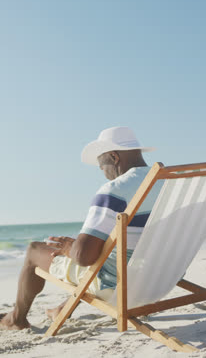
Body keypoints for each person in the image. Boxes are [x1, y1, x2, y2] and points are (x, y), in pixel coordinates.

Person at [0, 126, 159, 330]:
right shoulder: (169, 183)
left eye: (102, 167)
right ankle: (61, 309)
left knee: (35, 250)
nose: (105, 174)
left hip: (119, 285)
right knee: (105, 249)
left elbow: (84, 258)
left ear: (114, 156)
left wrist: (71, 248)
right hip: (161, 276)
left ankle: (16, 319)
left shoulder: (116, 189)